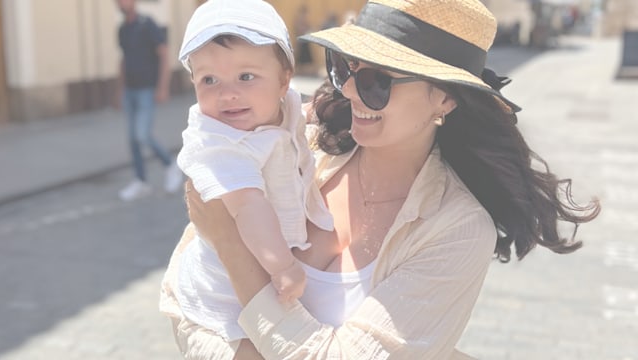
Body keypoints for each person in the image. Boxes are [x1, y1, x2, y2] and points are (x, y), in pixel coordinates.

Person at [160, 0, 601, 358]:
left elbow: (219, 239)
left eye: (376, 82)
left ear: (444, 98)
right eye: (344, 69)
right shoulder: (302, 142)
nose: (349, 91)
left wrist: (235, 251)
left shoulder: (458, 229)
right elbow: (182, 294)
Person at [170, 0, 334, 351]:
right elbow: (248, 207)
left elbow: (302, 113)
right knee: (254, 344)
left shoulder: (287, 103)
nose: (227, 93)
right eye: (208, 79)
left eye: (246, 77)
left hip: (266, 254)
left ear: (283, 80)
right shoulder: (219, 140)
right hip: (227, 282)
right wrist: (283, 267)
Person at [115, 0, 183, 201]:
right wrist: (119, 90)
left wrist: (163, 86)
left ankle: (170, 165)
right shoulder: (122, 29)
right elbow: (123, 60)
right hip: (130, 90)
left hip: (147, 90)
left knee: (142, 135)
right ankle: (141, 181)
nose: (121, 3)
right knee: (132, 140)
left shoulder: (147, 24)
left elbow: (163, 54)